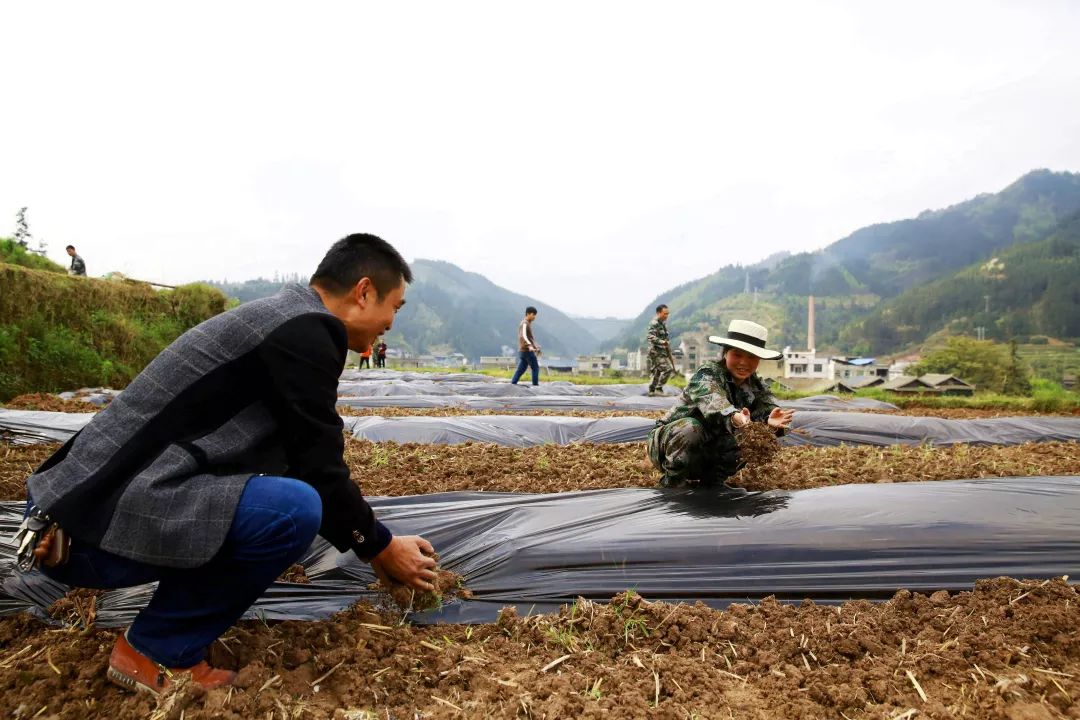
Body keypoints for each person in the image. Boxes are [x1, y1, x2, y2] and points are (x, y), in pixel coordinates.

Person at [19, 233, 437, 695]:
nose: (391, 324)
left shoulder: (282, 318)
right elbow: (318, 466)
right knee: (290, 510)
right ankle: (156, 647)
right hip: (87, 528)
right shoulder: (307, 330)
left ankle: (161, 631)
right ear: (363, 292)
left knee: (277, 500)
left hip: (78, 515)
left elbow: (302, 458)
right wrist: (378, 546)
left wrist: (370, 543)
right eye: (395, 307)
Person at [647, 319, 794, 487]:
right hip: (668, 447)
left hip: (704, 454)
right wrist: (733, 416)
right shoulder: (708, 374)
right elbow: (712, 400)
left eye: (751, 357)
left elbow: (768, 407)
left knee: (749, 436)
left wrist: (772, 421)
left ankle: (713, 483)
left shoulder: (756, 386)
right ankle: (672, 484)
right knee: (691, 428)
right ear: (725, 353)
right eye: (737, 354)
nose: (744, 362)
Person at [646, 304, 674, 396]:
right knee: (668, 369)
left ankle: (652, 390)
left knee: (657, 372)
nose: (667, 316)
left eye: (667, 314)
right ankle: (658, 388)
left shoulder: (663, 324)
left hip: (662, 352)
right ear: (658, 313)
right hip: (656, 352)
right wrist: (662, 342)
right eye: (665, 314)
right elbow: (650, 337)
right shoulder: (654, 323)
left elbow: (666, 339)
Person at [510, 306, 541, 386]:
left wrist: (535, 346)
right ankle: (535, 386)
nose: (534, 317)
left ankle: (512, 384)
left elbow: (529, 338)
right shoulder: (524, 323)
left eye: (535, 315)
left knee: (521, 369)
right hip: (527, 350)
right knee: (535, 368)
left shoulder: (528, 323)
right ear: (528, 314)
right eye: (533, 314)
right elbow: (523, 336)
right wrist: (530, 346)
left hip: (524, 350)